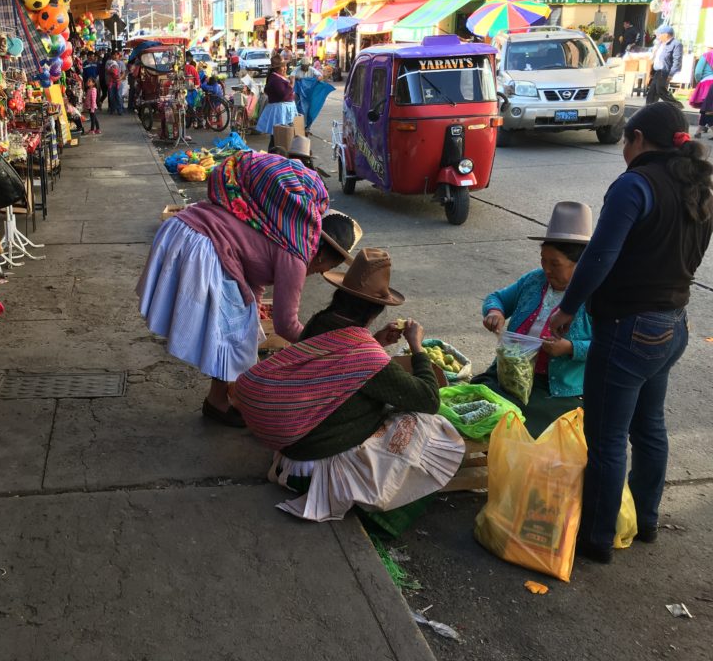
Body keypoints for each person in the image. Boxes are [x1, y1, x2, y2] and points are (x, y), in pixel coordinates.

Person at [548, 102, 713, 564]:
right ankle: (647, 519)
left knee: (606, 437)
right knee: (649, 427)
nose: (624, 148)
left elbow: (598, 257)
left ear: (638, 138)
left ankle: (597, 538)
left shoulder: (634, 185)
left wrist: (568, 308)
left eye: (626, 140)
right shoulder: (698, 185)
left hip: (628, 328)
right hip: (673, 324)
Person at [233, 248, 465, 521]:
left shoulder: (320, 322)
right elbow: (428, 399)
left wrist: (377, 340)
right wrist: (417, 348)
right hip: (317, 471)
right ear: (375, 310)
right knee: (427, 424)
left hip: (290, 455)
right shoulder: (367, 356)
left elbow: (334, 365)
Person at [137, 151, 362, 427]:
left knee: (242, 329)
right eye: (323, 268)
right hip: (200, 244)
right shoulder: (297, 253)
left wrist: (252, 315)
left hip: (187, 231)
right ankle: (218, 403)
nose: (318, 273)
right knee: (235, 335)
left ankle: (219, 399)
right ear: (323, 257)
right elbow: (285, 324)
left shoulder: (284, 229)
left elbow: (253, 279)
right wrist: (322, 349)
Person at [473, 201, 594, 436]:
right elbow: (496, 298)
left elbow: (610, 347)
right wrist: (494, 313)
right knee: (479, 408)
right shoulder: (534, 281)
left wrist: (570, 348)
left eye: (555, 264)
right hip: (510, 377)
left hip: (555, 390)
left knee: (521, 429)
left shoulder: (595, 297)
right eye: (543, 260)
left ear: (579, 265)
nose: (546, 269)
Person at [256, 56, 298, 151]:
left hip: (284, 109)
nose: (285, 68)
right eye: (282, 66)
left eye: (285, 66)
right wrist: (291, 85)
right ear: (276, 68)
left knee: (281, 135)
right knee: (277, 135)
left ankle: (279, 154)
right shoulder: (275, 79)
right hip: (280, 110)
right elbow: (282, 95)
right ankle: (272, 155)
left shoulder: (278, 78)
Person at [646, 25, 683, 107]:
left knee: (660, 89)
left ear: (666, 35)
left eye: (659, 34)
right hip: (657, 71)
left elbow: (677, 60)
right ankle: (649, 107)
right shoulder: (660, 44)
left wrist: (671, 74)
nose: (657, 36)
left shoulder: (676, 44)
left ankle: (676, 105)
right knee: (653, 91)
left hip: (665, 71)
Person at [689, 45, 713, 138]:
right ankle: (698, 131)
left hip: (707, 84)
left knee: (706, 110)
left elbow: (698, 72)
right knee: (706, 109)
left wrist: (699, 81)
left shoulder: (706, 55)